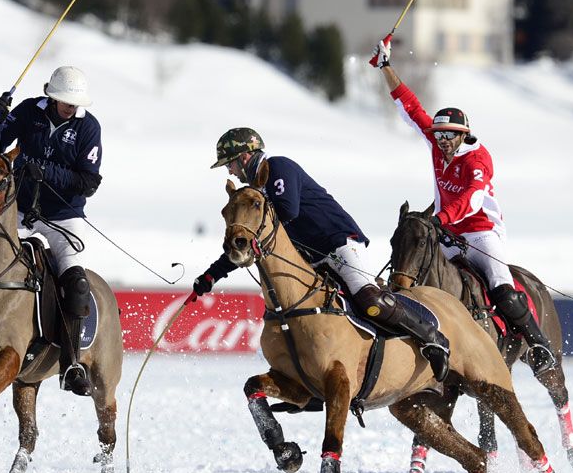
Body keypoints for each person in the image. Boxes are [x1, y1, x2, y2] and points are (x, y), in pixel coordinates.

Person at [193, 127, 450, 382]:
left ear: (245, 157)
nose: (230, 172)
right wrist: (210, 276)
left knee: (369, 299)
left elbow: (288, 210)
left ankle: (432, 338)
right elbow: (250, 240)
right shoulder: (256, 192)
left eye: (230, 164)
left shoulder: (278, 167)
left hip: (337, 243)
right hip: (312, 258)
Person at [372, 39, 555, 375]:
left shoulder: (478, 159)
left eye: (447, 137)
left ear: (462, 136)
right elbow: (411, 108)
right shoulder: (439, 143)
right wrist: (386, 66)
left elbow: (471, 199)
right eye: (438, 135)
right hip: (447, 230)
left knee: (502, 288)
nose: (440, 141)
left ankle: (539, 344)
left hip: (481, 233)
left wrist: (440, 219)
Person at [0, 65, 103, 395]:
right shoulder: (30, 111)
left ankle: (72, 363)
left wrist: (45, 171)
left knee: (75, 283)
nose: (69, 108)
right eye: (64, 102)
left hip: (63, 218)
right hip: (21, 211)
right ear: (52, 96)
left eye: (73, 104)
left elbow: (88, 182)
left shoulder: (88, 127)